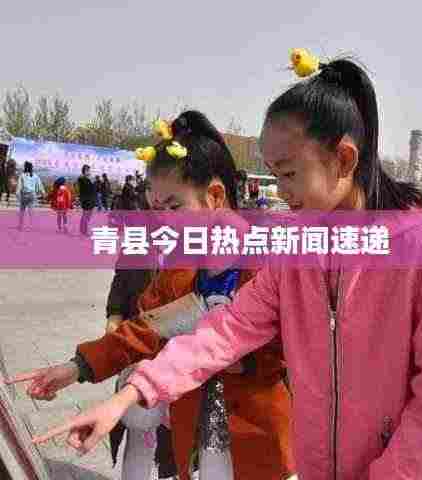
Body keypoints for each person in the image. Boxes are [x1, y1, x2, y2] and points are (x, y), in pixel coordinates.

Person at [25, 55, 422, 480]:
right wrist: (129, 393)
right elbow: (225, 329)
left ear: (344, 159)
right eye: (274, 175)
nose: (280, 191)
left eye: (289, 173)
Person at [11, 111, 294, 480]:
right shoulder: (182, 268)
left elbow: (295, 347)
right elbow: (146, 329)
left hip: (257, 437)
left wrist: (245, 362)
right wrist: (78, 366)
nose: (161, 221)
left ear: (214, 195)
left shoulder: (268, 264)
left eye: (174, 207)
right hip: (196, 431)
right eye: (155, 208)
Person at [16, 161, 45, 231]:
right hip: (32, 194)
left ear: (25, 167)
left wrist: (17, 194)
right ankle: (30, 226)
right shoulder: (35, 176)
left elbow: (19, 186)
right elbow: (40, 185)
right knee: (31, 211)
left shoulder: (22, 175)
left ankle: (21, 226)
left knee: (22, 210)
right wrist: (43, 193)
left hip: (24, 194)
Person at [77, 165, 96, 236]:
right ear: (84, 171)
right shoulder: (82, 179)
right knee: (85, 215)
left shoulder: (88, 179)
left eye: (89, 170)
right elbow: (86, 189)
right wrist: (90, 180)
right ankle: (84, 231)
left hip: (91, 199)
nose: (89, 172)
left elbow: (93, 189)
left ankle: (83, 230)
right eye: (87, 170)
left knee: (88, 216)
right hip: (86, 200)